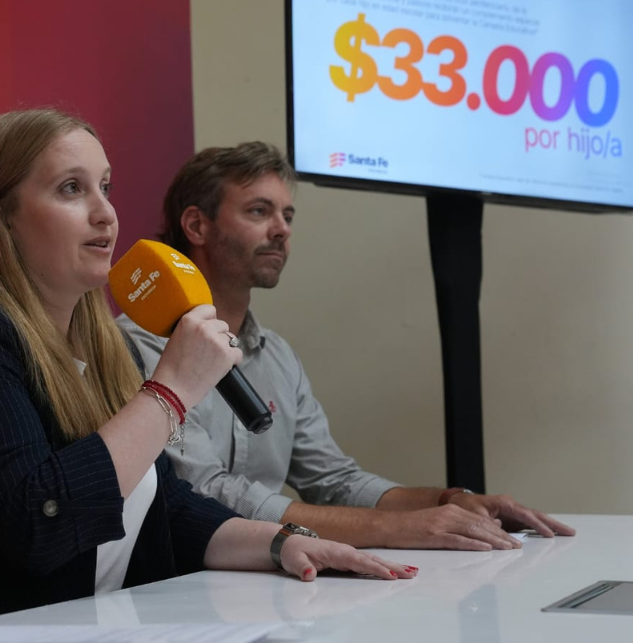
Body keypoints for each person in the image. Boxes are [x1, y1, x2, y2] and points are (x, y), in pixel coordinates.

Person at [0, 109, 415, 627]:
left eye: (105, 187)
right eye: (71, 188)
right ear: (2, 216)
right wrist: (172, 389)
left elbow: (162, 508)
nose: (105, 212)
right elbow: (38, 522)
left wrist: (281, 541)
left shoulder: (99, 349)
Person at [118, 142, 576, 550]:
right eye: (259, 212)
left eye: (288, 215)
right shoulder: (135, 347)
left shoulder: (276, 355)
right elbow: (204, 492)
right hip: (172, 589)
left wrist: (451, 501)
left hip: (269, 581)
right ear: (197, 225)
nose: (281, 229)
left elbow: (333, 480)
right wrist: (396, 529)